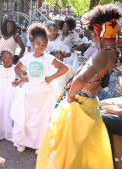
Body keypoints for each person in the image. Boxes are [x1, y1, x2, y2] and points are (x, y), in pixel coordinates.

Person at [36, 4, 121, 168]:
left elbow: (81, 80)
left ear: (98, 33)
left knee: (66, 151)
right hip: (90, 105)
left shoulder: (102, 54)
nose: (92, 37)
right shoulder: (114, 53)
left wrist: (70, 97)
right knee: (87, 150)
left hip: (79, 106)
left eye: (93, 34)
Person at [10, 23, 68, 153]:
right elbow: (17, 68)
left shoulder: (49, 58)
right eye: (38, 43)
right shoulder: (27, 57)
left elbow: (64, 68)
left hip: (44, 93)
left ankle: (39, 143)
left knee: (41, 120)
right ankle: (23, 141)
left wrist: (50, 78)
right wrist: (23, 78)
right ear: (32, 44)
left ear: (47, 45)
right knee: (27, 117)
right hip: (29, 92)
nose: (41, 46)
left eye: (43, 44)